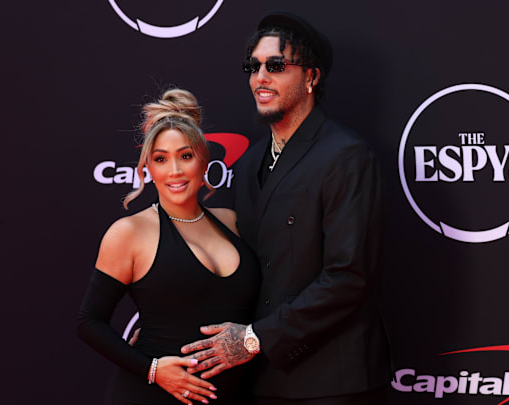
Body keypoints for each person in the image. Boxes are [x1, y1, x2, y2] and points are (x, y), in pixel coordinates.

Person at [180, 12, 391, 404]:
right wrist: (168, 321)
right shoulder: (249, 163)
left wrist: (254, 338)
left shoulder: (347, 157)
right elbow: (238, 266)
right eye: (253, 66)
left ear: (311, 78)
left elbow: (349, 277)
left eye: (276, 65)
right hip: (263, 379)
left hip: (333, 383)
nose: (261, 77)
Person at [77, 88, 260, 405]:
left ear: (203, 159)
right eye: (161, 159)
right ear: (148, 165)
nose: (174, 171)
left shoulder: (231, 222)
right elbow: (89, 323)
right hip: (154, 396)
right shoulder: (130, 232)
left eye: (185, 156)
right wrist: (152, 369)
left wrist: (254, 340)